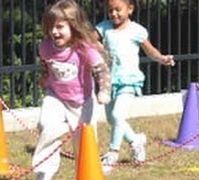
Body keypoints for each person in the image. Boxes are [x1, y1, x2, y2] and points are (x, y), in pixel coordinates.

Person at [31, 0, 111, 179]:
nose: (54, 31)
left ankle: (87, 174)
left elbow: (101, 68)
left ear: (73, 26)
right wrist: (44, 78)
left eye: (60, 26)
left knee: (85, 143)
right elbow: (47, 64)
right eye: (51, 27)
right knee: (46, 124)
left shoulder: (83, 47)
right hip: (56, 96)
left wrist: (104, 90)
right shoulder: (45, 46)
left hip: (82, 102)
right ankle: (44, 172)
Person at [95, 0, 175, 174]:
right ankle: (135, 141)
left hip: (129, 81)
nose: (114, 14)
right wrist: (96, 47)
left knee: (118, 115)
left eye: (118, 9)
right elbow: (89, 41)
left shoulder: (136, 30)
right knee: (112, 118)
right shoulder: (103, 28)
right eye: (110, 11)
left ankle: (112, 153)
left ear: (130, 9)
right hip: (109, 81)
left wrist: (162, 59)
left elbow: (150, 50)